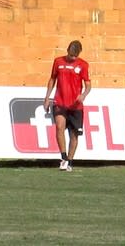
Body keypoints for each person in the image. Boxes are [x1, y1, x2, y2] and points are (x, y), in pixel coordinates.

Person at [43, 40, 91, 172]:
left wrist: (84, 95)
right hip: (60, 102)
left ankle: (70, 161)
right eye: (70, 55)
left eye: (74, 56)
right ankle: (63, 158)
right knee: (59, 127)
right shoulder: (58, 62)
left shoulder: (83, 65)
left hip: (76, 106)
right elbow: (52, 79)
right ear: (67, 51)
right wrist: (47, 97)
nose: (72, 58)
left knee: (73, 135)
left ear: (79, 54)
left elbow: (88, 85)